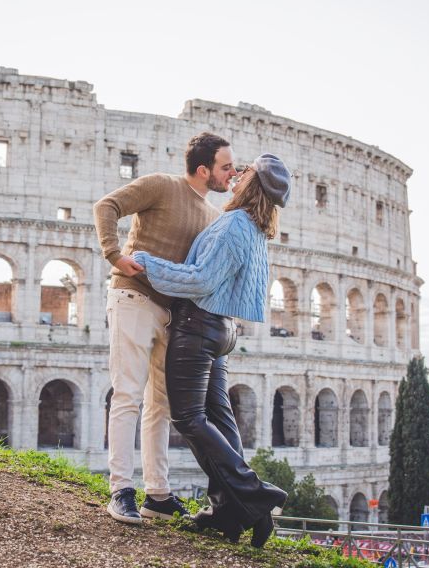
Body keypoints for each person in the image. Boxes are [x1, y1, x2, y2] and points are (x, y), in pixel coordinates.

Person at [132, 154, 292, 548]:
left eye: (246, 171)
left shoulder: (235, 223)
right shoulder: (254, 227)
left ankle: (255, 494)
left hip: (198, 325)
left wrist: (145, 262)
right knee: (220, 422)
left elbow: (202, 279)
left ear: (253, 183)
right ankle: (229, 512)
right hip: (221, 329)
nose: (237, 173)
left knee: (188, 418)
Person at [93, 132, 238, 524]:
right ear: (204, 168)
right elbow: (107, 205)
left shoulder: (213, 215)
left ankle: (157, 494)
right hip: (133, 298)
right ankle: (120, 489)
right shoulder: (162, 185)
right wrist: (114, 255)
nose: (232, 173)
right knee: (126, 393)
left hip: (175, 314)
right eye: (227, 166)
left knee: (161, 404)